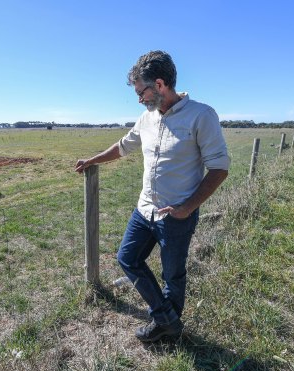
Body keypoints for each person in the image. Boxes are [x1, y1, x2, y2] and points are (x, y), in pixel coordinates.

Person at [75, 50, 230, 342]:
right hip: (144, 209)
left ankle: (166, 329)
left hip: (176, 215)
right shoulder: (146, 118)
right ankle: (166, 319)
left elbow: (220, 168)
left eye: (140, 91)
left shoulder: (201, 115)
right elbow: (123, 146)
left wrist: (187, 208)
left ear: (159, 84)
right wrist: (92, 160)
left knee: (173, 274)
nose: (139, 99)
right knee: (127, 258)